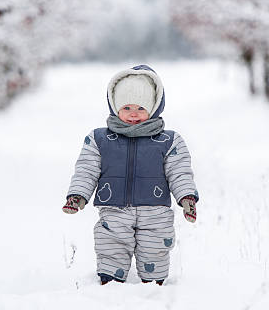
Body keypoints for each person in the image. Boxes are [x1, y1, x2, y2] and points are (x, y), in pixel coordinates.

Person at [62, 64, 199, 286]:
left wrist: (187, 198)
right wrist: (77, 195)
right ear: (115, 107)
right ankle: (109, 284)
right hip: (114, 210)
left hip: (156, 212)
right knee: (110, 245)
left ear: (154, 108)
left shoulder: (169, 141)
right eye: (126, 107)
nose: (133, 114)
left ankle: (154, 288)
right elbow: (86, 169)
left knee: (155, 248)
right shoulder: (99, 139)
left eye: (141, 108)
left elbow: (179, 171)